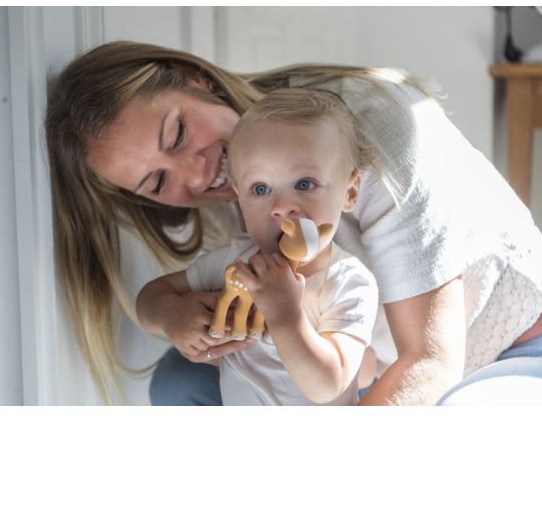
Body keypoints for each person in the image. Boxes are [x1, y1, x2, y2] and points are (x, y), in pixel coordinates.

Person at [45, 40, 542, 406]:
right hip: (359, 371)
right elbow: (161, 301)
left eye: (178, 133)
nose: (198, 174)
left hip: (508, 350)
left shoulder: (375, 134)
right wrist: (174, 313)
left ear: (193, 78)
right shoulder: (242, 203)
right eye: (159, 182)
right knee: (179, 383)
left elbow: (429, 362)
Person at [136, 89, 378, 405]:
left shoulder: (347, 282)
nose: (282, 207)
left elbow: (327, 386)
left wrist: (286, 316)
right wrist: (171, 313)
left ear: (350, 192)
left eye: (304, 184)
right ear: (239, 197)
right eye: (261, 189)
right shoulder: (238, 261)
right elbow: (149, 299)